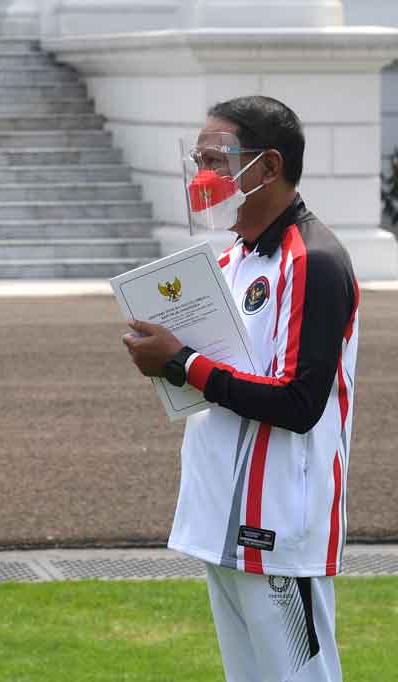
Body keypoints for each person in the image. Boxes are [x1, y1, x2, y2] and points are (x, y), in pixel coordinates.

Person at [122, 96, 358, 681]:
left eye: (218, 160)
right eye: (199, 159)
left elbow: (300, 403)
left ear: (269, 167)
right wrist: (169, 360)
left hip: (279, 519)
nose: (205, 175)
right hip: (219, 514)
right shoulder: (231, 257)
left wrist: (182, 363)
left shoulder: (315, 260)